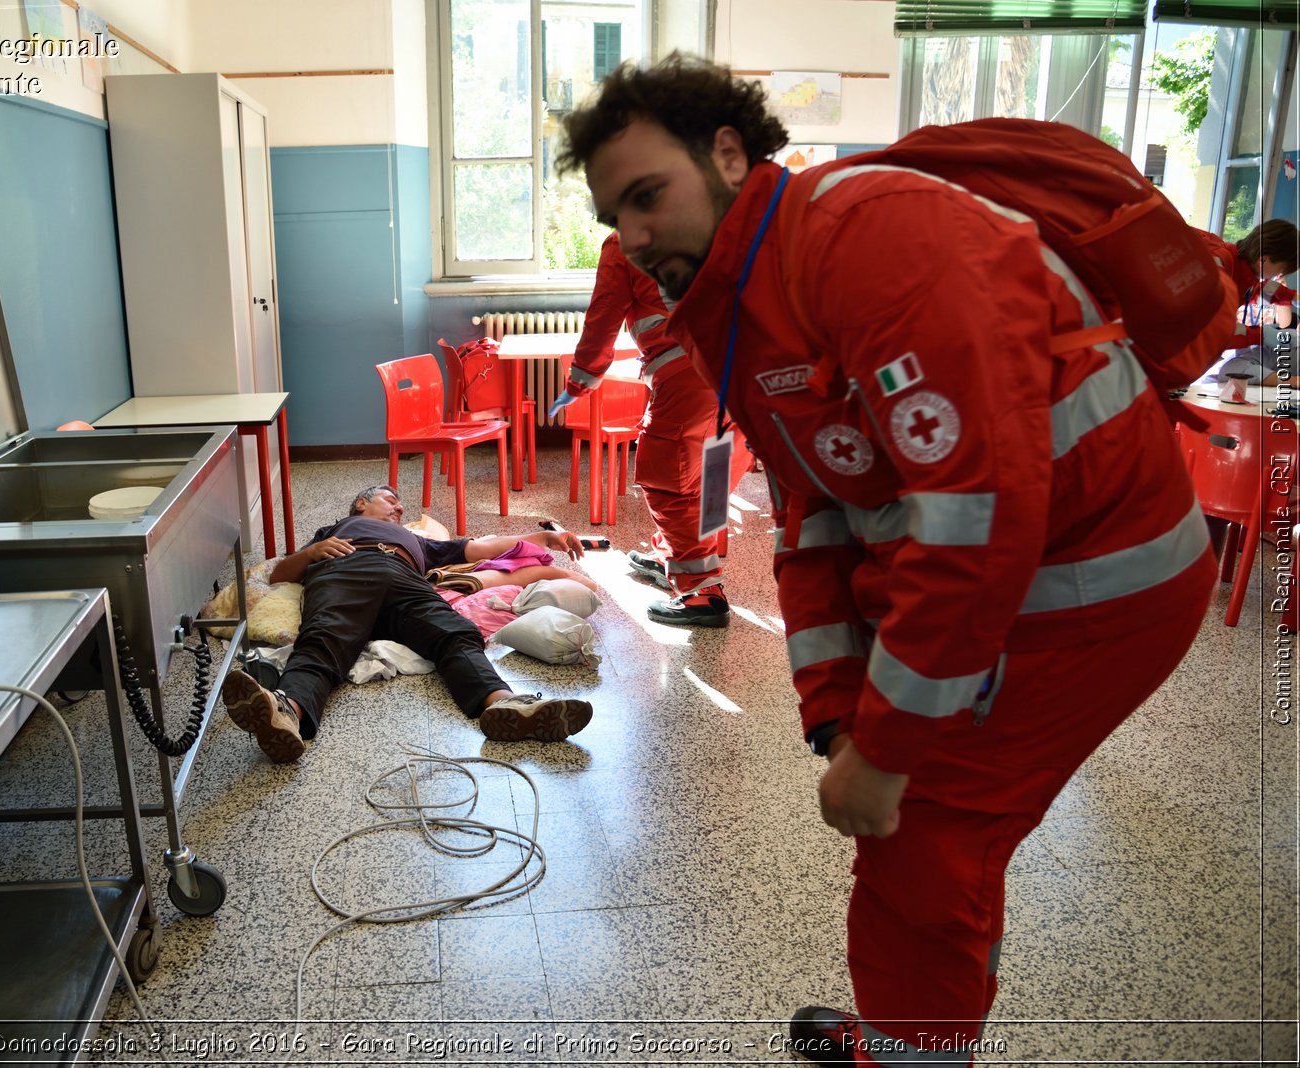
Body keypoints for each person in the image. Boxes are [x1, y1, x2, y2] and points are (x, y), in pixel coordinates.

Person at [557, 55, 1216, 1066]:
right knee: (914, 838)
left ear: (728, 154)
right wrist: (834, 707)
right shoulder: (740, 295)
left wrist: (892, 744)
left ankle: (912, 1052)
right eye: (617, 217)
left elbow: (970, 520)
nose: (633, 237)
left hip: (1095, 588)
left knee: (923, 839)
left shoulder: (874, 241)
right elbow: (813, 506)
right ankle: (913, 1033)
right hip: (1022, 575)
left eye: (649, 196)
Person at [221, 485, 593, 762]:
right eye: (389, 499)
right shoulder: (336, 529)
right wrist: (312, 552)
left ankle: (505, 705)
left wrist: (546, 537)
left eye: (400, 504)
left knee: (456, 633)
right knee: (323, 640)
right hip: (348, 570)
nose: (399, 507)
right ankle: (287, 713)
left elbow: (483, 548)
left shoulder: (419, 542)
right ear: (361, 504)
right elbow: (278, 575)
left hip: (405, 581)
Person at [554, 232, 753, 626]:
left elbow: (604, 314)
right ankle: (672, 557)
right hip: (748, 367)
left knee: (669, 479)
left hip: (691, 374)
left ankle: (702, 594)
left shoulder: (626, 241)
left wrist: (580, 381)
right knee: (711, 473)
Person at [1198, 218, 1298, 344]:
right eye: (1282, 268)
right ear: (1263, 259)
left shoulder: (1236, 264)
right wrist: (1260, 336)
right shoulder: (1219, 268)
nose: (1280, 274)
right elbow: (1216, 332)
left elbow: (1256, 289)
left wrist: (1292, 297)